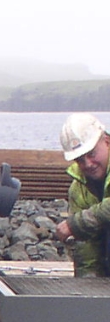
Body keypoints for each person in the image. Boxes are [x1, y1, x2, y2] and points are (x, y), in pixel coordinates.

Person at [56, 113, 110, 276]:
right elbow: (86, 248)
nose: (88, 164)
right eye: (80, 159)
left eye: (91, 154)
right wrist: (87, 284)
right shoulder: (78, 189)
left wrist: (78, 223)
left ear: (107, 142)